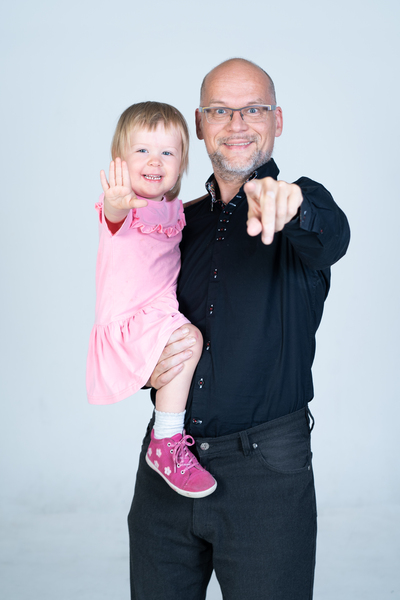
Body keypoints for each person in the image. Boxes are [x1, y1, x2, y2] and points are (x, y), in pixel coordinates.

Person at [127, 59, 350, 600]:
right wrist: (141, 365)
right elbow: (139, 311)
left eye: (253, 109)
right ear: (200, 124)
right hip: (166, 463)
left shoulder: (301, 206)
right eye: (221, 111)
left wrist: (292, 204)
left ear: (278, 120)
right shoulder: (175, 222)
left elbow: (332, 235)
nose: (237, 123)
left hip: (265, 476)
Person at [87, 101, 216, 498]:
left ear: (181, 164)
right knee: (190, 340)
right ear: (120, 160)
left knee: (190, 344)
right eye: (142, 150)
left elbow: (185, 214)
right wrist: (116, 200)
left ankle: (168, 438)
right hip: (133, 318)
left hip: (157, 312)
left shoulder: (171, 209)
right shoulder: (122, 208)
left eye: (167, 152)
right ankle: (166, 439)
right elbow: (113, 214)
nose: (154, 160)